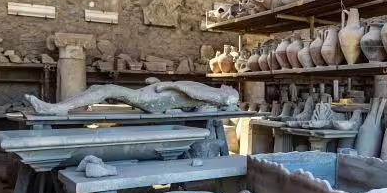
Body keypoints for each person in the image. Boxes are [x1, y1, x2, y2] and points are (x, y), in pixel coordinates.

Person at [25, 77, 239, 115]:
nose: (227, 86)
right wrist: (160, 83)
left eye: (230, 89)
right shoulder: (215, 95)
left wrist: (168, 85)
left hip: (154, 100)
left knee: (107, 89)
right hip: (157, 95)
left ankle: (54, 109)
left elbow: (190, 91)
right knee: (100, 87)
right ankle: (59, 106)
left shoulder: (219, 96)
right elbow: (188, 96)